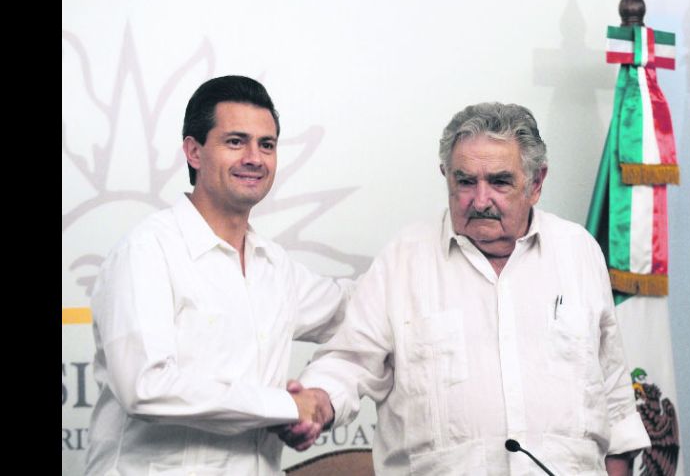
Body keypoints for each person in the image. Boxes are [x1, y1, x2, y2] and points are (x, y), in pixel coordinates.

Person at [281, 103, 650, 475]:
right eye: (465, 181)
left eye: (500, 182)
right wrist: (316, 401)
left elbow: (614, 396)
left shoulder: (578, 251)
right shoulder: (405, 259)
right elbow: (350, 360)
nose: (481, 199)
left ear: (536, 183)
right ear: (446, 176)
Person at [85, 75, 343, 476]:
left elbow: (363, 311)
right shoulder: (147, 251)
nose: (255, 158)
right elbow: (146, 387)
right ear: (193, 151)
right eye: (235, 141)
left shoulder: (275, 267)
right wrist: (285, 406)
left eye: (267, 145)